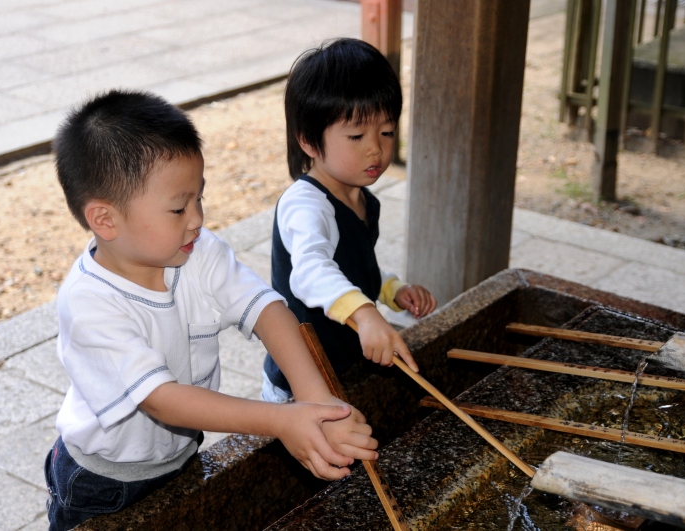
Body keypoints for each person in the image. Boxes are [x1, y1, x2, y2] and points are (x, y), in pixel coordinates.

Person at [45, 89, 378, 531]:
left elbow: (267, 310)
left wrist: (318, 404)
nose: (197, 218)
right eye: (179, 207)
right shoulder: (88, 304)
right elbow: (163, 402)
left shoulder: (196, 252)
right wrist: (281, 421)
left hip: (178, 457)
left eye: (199, 198)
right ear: (105, 220)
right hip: (103, 483)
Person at [262, 38, 437, 403]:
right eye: (356, 135)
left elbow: (352, 267)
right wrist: (366, 313)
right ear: (309, 142)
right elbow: (311, 271)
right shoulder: (305, 204)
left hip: (344, 367)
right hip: (303, 383)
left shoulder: (362, 198)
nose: (375, 148)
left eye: (387, 132)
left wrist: (390, 291)